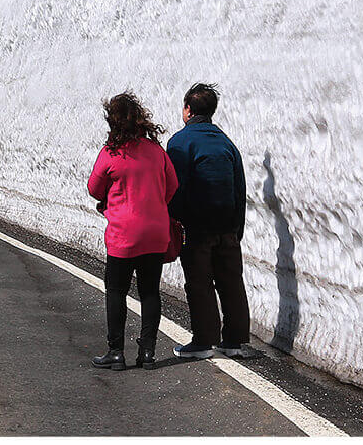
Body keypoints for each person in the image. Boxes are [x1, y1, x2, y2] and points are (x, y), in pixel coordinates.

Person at [86, 93, 178, 370]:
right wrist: (153, 204)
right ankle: (147, 352)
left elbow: (94, 188)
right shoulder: (156, 151)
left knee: (116, 290)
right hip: (155, 232)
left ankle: (116, 352)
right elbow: (172, 185)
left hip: (123, 235)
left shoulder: (111, 153)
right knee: (150, 291)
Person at [166, 83, 255, 359]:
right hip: (227, 225)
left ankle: (204, 340)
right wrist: (237, 228)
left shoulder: (180, 142)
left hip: (197, 226)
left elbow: (176, 187)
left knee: (199, 282)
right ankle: (235, 341)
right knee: (230, 281)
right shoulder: (227, 143)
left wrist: (175, 220)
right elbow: (240, 188)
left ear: (188, 110)